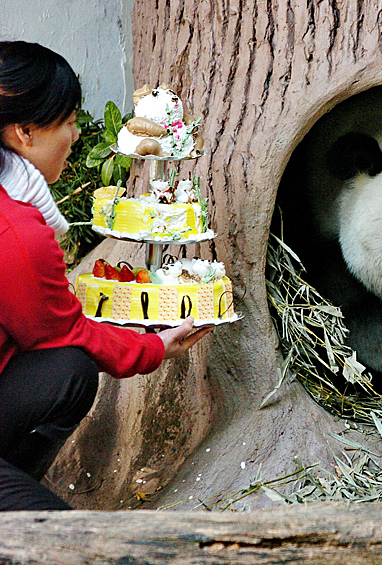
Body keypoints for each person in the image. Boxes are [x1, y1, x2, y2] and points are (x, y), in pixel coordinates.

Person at [0, 40, 213, 510]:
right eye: (70, 122)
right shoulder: (17, 230)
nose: (76, 136)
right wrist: (156, 346)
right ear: (23, 132)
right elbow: (65, 331)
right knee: (64, 538)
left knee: (70, 373)